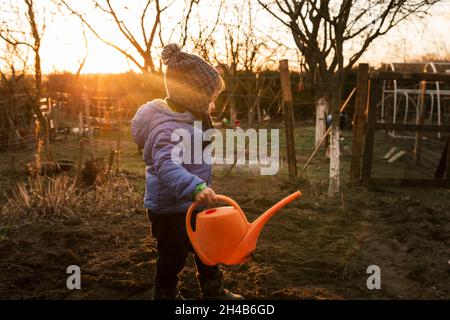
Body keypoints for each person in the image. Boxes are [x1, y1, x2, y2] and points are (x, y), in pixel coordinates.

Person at [131, 43, 243, 300]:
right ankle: (165, 293)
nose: (212, 106)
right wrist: (195, 187)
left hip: (193, 202)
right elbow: (167, 166)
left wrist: (197, 190)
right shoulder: (167, 127)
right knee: (173, 255)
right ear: (193, 96)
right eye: (210, 99)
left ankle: (214, 292)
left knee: (207, 247)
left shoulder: (190, 118)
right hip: (170, 209)